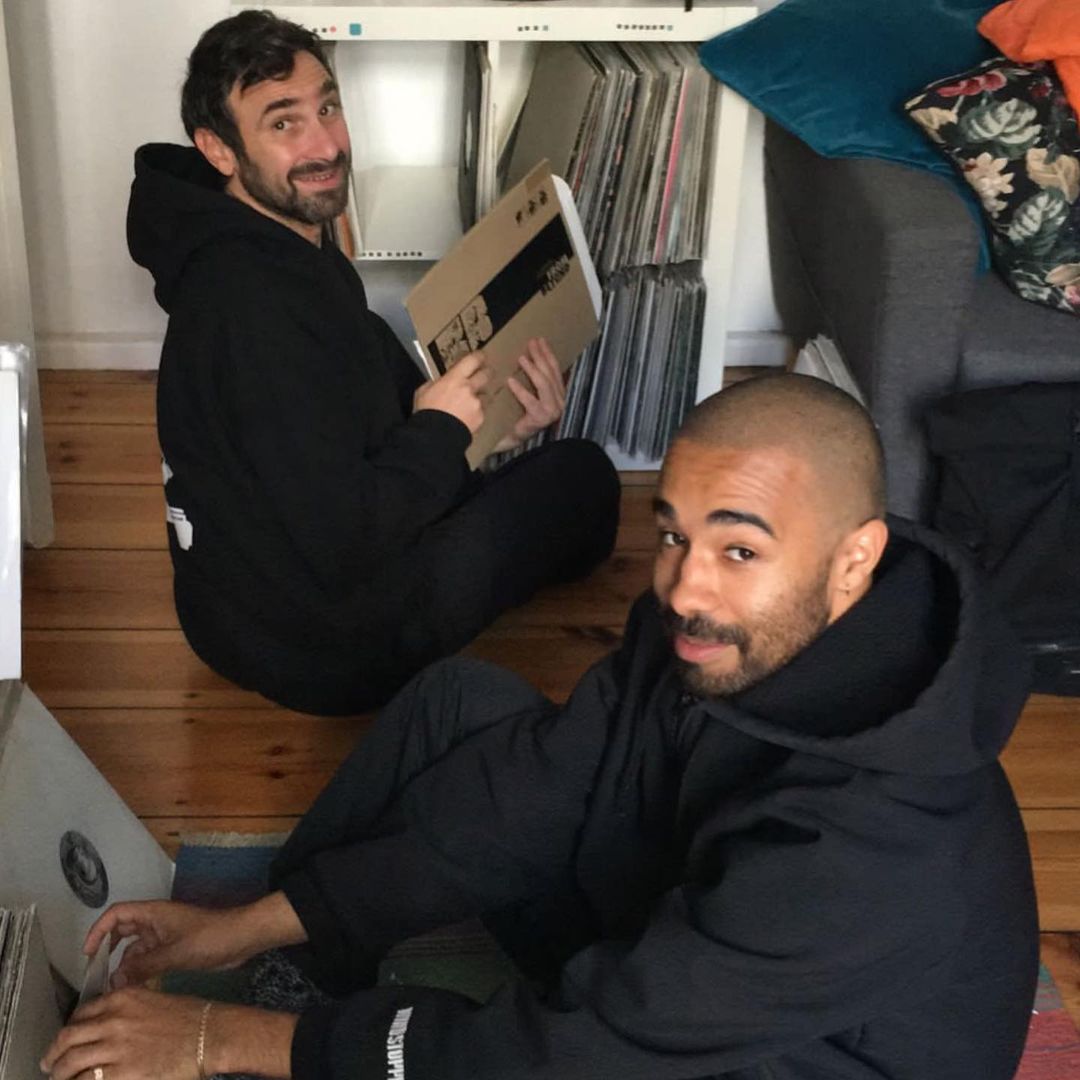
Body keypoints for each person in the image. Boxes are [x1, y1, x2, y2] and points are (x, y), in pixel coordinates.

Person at [42, 375, 1039, 1080]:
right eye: (674, 535)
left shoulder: (877, 846)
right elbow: (535, 789)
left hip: (763, 1054)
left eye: (740, 550)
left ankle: (298, 1037)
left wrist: (220, 1043)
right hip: (678, 922)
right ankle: (298, 969)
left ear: (855, 560)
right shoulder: (707, 634)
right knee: (460, 705)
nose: (685, 588)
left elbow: (569, 1052)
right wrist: (248, 924)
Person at [127, 10, 619, 715]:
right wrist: (447, 436)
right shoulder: (254, 314)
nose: (326, 144)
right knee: (584, 478)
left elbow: (354, 425)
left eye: (327, 107)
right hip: (324, 650)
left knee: (521, 473)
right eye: (284, 122)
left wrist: (490, 430)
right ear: (219, 149)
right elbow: (346, 541)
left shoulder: (262, 242)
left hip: (231, 611)